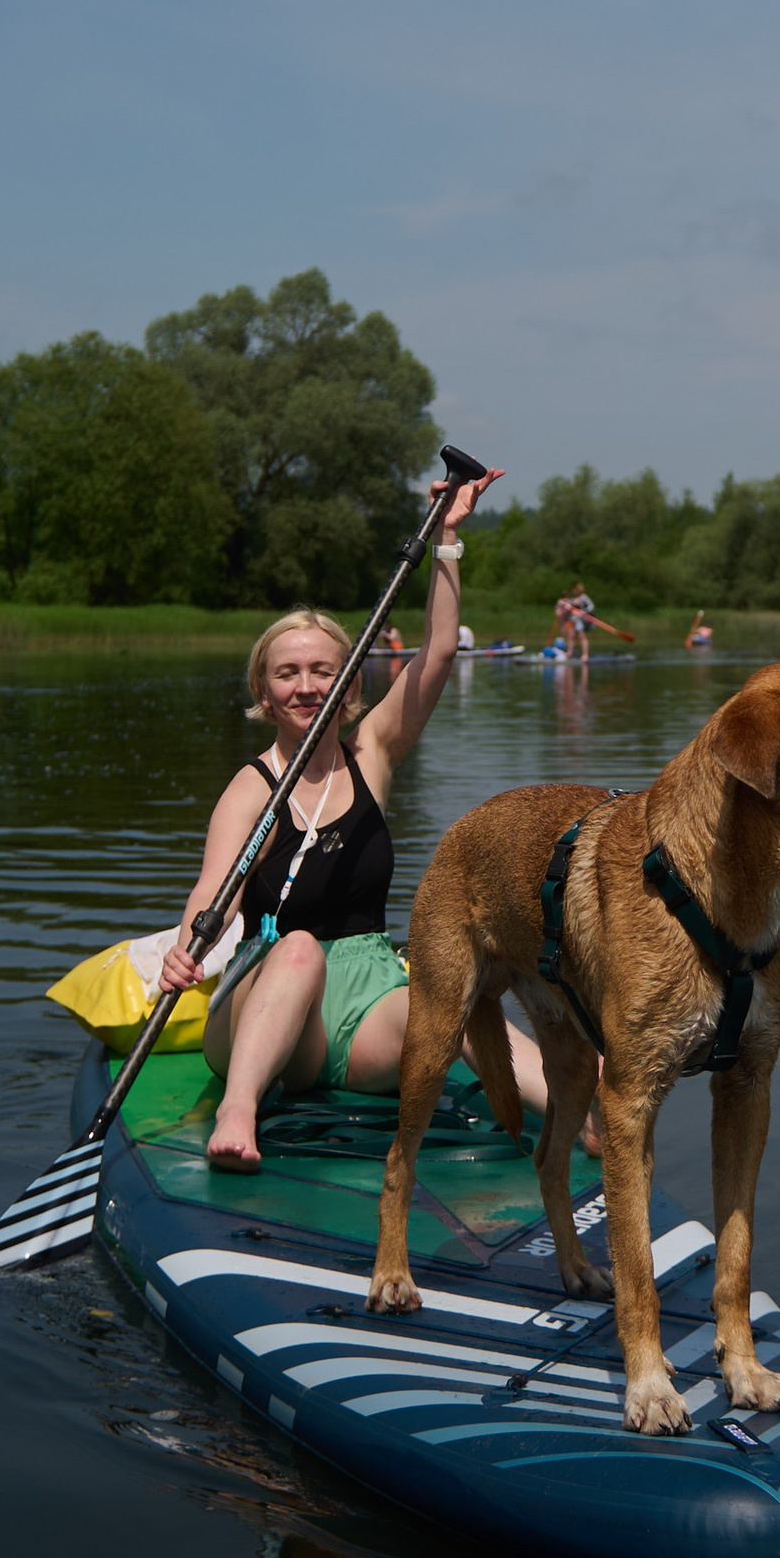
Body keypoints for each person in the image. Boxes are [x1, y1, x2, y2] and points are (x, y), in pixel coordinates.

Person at [162, 467, 565, 1171]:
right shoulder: (251, 786)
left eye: (322, 671)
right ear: (264, 691)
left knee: (455, 990)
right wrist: (186, 944)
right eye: (287, 673)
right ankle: (238, 1113)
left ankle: (574, 1110)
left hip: (366, 1001)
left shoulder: (372, 754)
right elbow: (213, 894)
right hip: (266, 997)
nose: (306, 686)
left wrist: (446, 539)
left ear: (349, 686)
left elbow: (439, 652)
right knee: (299, 949)